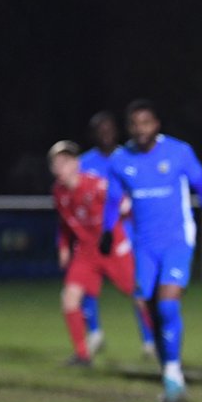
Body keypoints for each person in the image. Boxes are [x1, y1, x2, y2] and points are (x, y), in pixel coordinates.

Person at [102, 100, 202, 402]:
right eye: (135, 124)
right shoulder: (121, 160)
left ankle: (173, 374)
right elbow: (112, 200)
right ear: (129, 128)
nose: (141, 129)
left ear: (156, 124)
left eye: (146, 122)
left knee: (168, 304)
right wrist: (107, 231)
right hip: (143, 246)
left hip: (176, 241)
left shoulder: (179, 152)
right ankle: (170, 370)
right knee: (149, 307)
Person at [49, 141, 135, 366]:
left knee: (139, 295)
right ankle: (82, 354)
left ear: (76, 164)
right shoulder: (58, 192)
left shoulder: (96, 185)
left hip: (111, 248)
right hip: (86, 252)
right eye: (57, 162)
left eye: (65, 161)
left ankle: (161, 343)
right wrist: (64, 247)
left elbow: (125, 206)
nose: (61, 166)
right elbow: (65, 224)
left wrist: (126, 236)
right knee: (69, 299)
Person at [78, 111, 154, 358]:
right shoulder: (85, 163)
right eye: (100, 129)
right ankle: (94, 333)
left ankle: (149, 340)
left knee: (138, 287)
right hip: (94, 237)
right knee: (86, 285)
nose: (105, 133)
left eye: (109, 128)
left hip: (128, 235)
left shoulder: (129, 156)